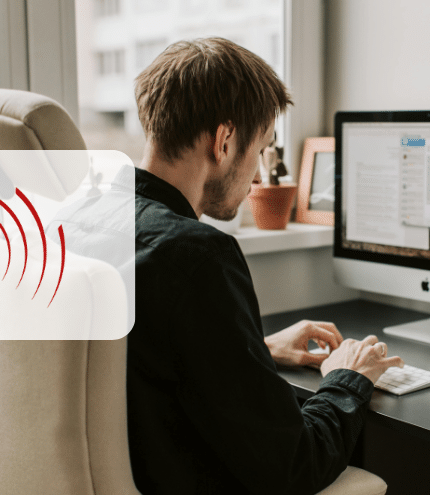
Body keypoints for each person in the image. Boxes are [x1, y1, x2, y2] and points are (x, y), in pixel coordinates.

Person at [51, 37, 403, 495]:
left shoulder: (73, 218)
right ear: (224, 140)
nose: (258, 175)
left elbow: (131, 360)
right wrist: (348, 378)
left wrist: (255, 347)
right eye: (260, 149)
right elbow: (293, 467)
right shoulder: (196, 255)